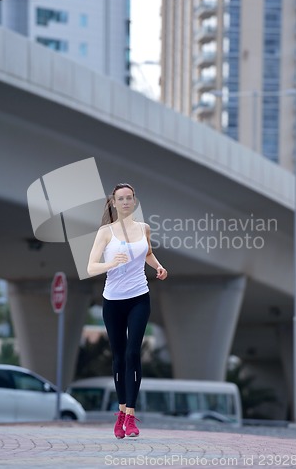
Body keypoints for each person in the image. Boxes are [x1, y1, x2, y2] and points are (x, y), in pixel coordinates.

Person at [87, 183, 168, 438]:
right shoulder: (105, 232)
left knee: (134, 353)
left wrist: (158, 267)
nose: (125, 202)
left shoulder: (144, 228)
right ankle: (120, 411)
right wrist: (111, 262)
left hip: (139, 298)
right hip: (112, 301)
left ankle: (131, 416)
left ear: (134, 201)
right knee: (119, 357)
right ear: (113, 203)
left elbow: (147, 253)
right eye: (120, 199)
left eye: (129, 198)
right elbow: (90, 267)